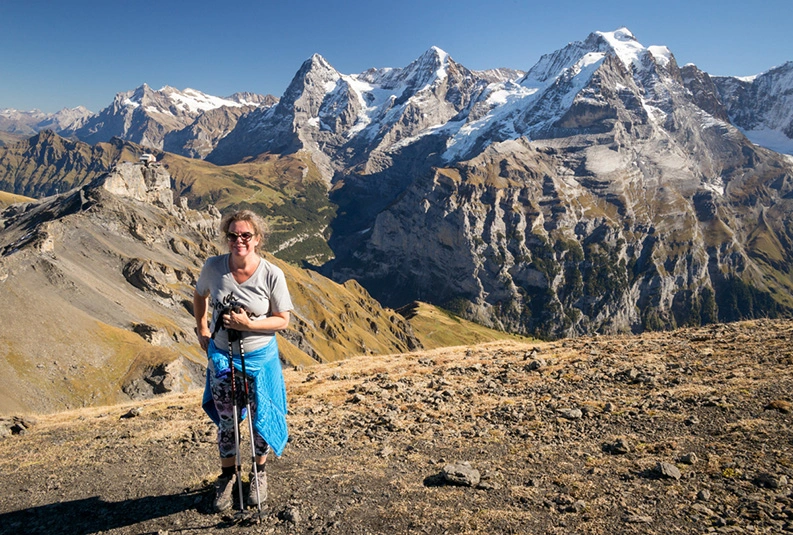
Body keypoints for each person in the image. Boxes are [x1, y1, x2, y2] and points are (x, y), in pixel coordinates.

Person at [193, 210, 293, 512]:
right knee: (227, 422)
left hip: (260, 360)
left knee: (260, 422)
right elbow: (200, 295)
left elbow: (282, 321)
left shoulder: (272, 274)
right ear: (227, 238)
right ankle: (228, 477)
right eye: (233, 235)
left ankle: (258, 473)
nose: (239, 241)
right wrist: (201, 328)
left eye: (245, 235)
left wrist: (248, 326)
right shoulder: (213, 267)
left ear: (257, 239)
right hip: (224, 358)